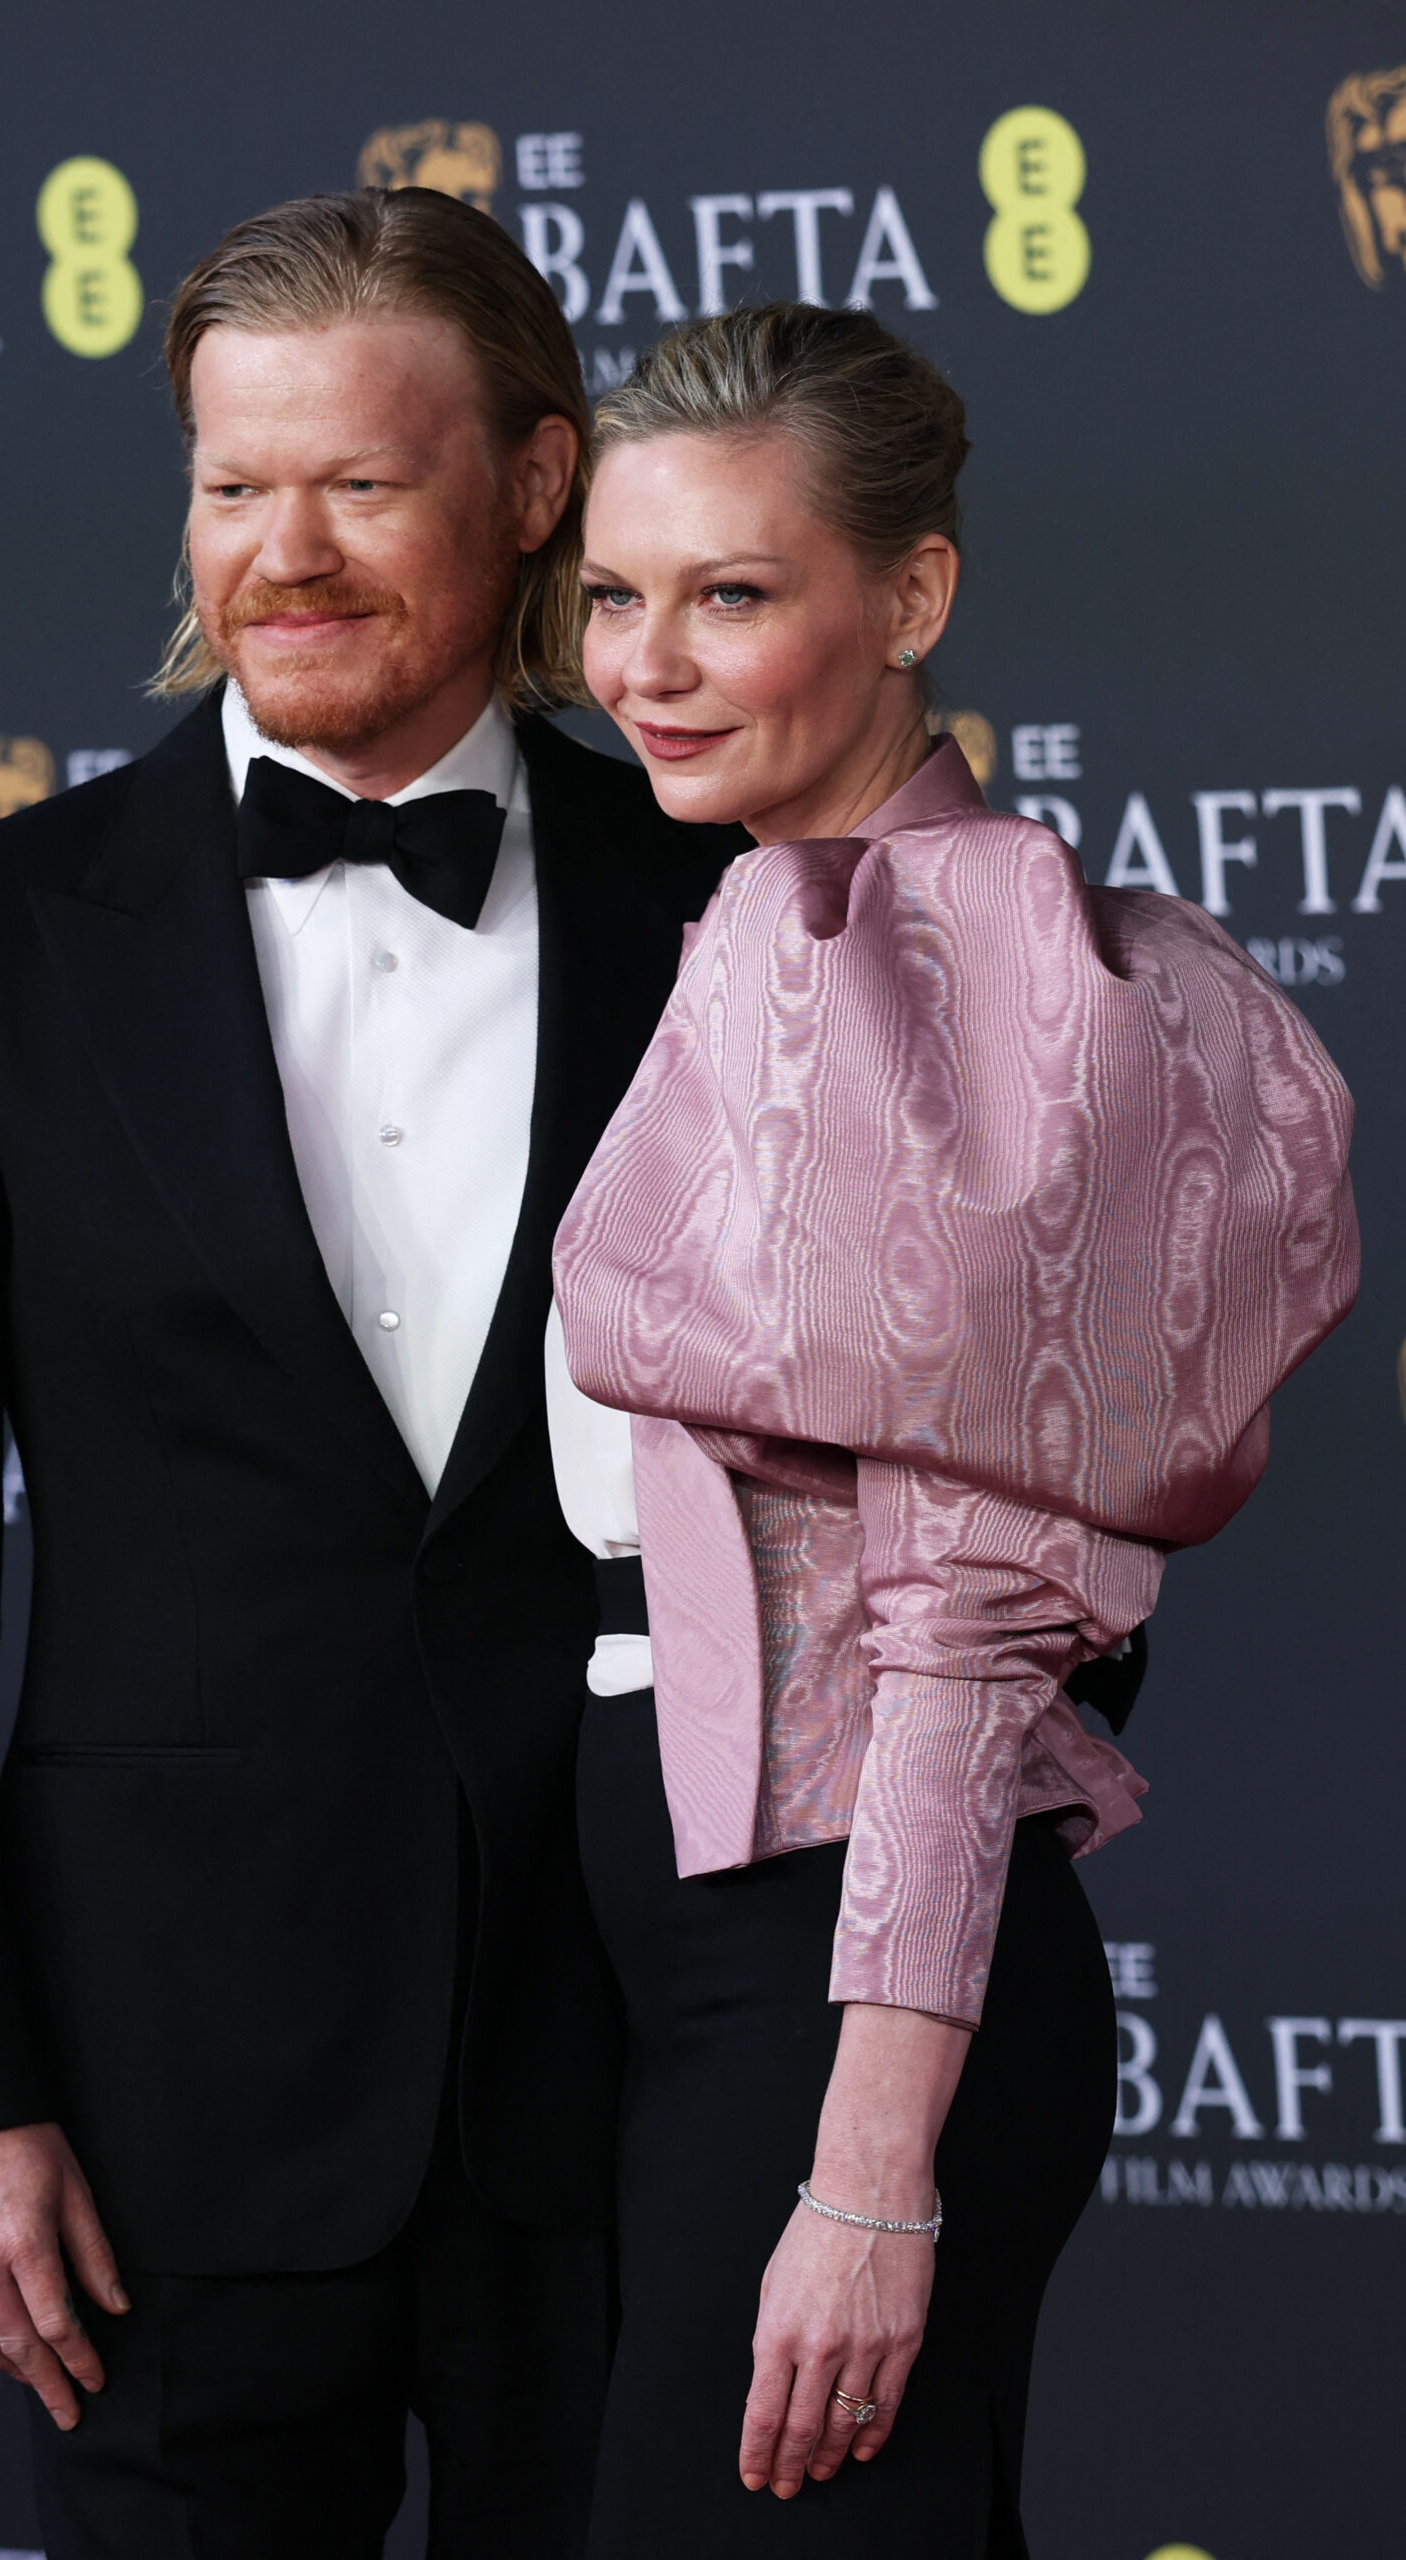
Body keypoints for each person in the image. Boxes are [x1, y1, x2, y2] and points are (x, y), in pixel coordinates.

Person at [0, 190, 742, 2560]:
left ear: (536, 488)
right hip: (150, 2125)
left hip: (636, 2071)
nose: (283, 554)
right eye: (235, 486)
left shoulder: (733, 904)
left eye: (361, 484)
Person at [548, 304, 1359, 2556]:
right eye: (615, 594)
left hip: (847, 1992)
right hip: (684, 1963)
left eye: (734, 591)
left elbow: (970, 1620)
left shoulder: (1008, 995)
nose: (648, 662)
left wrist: (870, 2159)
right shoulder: (761, 916)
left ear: (909, 598)